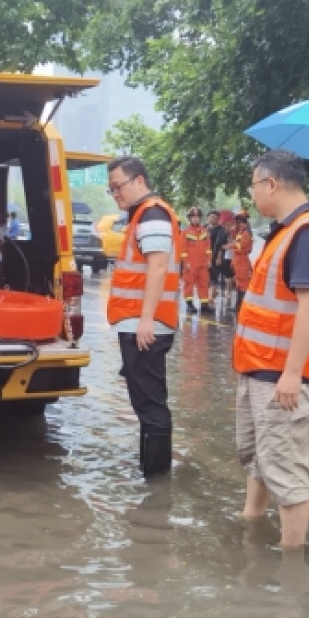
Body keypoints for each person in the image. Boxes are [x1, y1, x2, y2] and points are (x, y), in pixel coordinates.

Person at [234, 150, 309, 550]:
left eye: (254, 185)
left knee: (286, 467)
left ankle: (291, 560)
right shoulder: (286, 230)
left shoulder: (308, 234)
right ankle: (251, 522)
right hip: (259, 368)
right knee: (259, 456)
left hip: (282, 374)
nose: (253, 194)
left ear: (272, 184)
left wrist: (292, 374)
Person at [106, 156, 184, 476]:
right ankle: (151, 475)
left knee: (150, 405)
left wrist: (146, 319)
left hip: (146, 325)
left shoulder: (152, 214)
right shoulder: (143, 215)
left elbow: (158, 266)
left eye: (118, 187)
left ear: (139, 180)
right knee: (146, 402)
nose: (115, 194)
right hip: (141, 322)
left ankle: (156, 480)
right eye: (111, 190)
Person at [181, 207, 213, 313]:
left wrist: (209, 260)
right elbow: (183, 249)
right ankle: (189, 305)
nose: (195, 219)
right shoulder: (185, 233)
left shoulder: (205, 232)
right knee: (188, 283)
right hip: (191, 264)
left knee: (204, 283)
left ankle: (204, 305)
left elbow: (208, 248)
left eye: (197, 217)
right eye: (193, 217)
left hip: (203, 263)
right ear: (189, 219)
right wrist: (186, 262)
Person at [207, 209, 232, 308]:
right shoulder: (205, 228)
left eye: (215, 218)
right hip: (205, 256)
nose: (213, 219)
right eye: (211, 217)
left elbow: (221, 246)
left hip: (216, 256)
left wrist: (218, 257)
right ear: (208, 218)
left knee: (214, 277)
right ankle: (211, 294)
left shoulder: (221, 230)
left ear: (218, 219)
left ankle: (211, 298)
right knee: (206, 277)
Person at [231, 207, 254, 306]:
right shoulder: (241, 232)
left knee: (243, 283)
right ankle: (239, 304)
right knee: (239, 282)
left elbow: (242, 246)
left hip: (242, 260)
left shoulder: (245, 233)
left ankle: (241, 305)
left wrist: (232, 245)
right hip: (239, 259)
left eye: (237, 222)